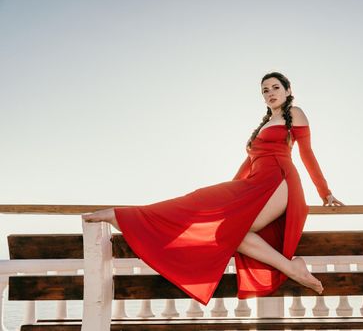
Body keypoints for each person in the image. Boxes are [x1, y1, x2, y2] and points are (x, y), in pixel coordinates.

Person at [82, 71, 344, 306]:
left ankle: (120, 216)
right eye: (265, 90)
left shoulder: (295, 113)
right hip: (256, 183)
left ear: (287, 90)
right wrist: (229, 192)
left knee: (232, 230)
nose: (270, 93)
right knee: (205, 207)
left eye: (275, 87)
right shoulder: (264, 124)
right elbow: (249, 162)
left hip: (280, 181)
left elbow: (307, 153)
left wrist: (325, 192)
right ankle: (292, 268)